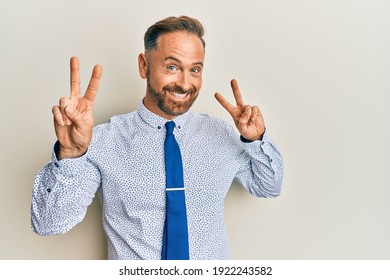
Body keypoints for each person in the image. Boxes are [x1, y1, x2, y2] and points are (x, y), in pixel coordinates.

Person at [31, 16, 283, 260]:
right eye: (172, 67)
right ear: (144, 65)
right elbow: (48, 223)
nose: (184, 84)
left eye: (194, 69)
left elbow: (268, 187)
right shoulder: (103, 141)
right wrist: (71, 155)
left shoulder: (222, 134)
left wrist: (256, 140)